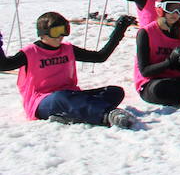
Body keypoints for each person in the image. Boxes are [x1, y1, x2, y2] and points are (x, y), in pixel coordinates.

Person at [0, 12, 136, 127]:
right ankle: (107, 115)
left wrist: (120, 29)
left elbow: (100, 57)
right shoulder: (30, 52)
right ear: (43, 34)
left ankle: (72, 116)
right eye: (56, 32)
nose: (61, 36)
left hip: (71, 95)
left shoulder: (67, 49)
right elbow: (4, 65)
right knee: (61, 97)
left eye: (64, 30)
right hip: (41, 102)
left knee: (115, 92)